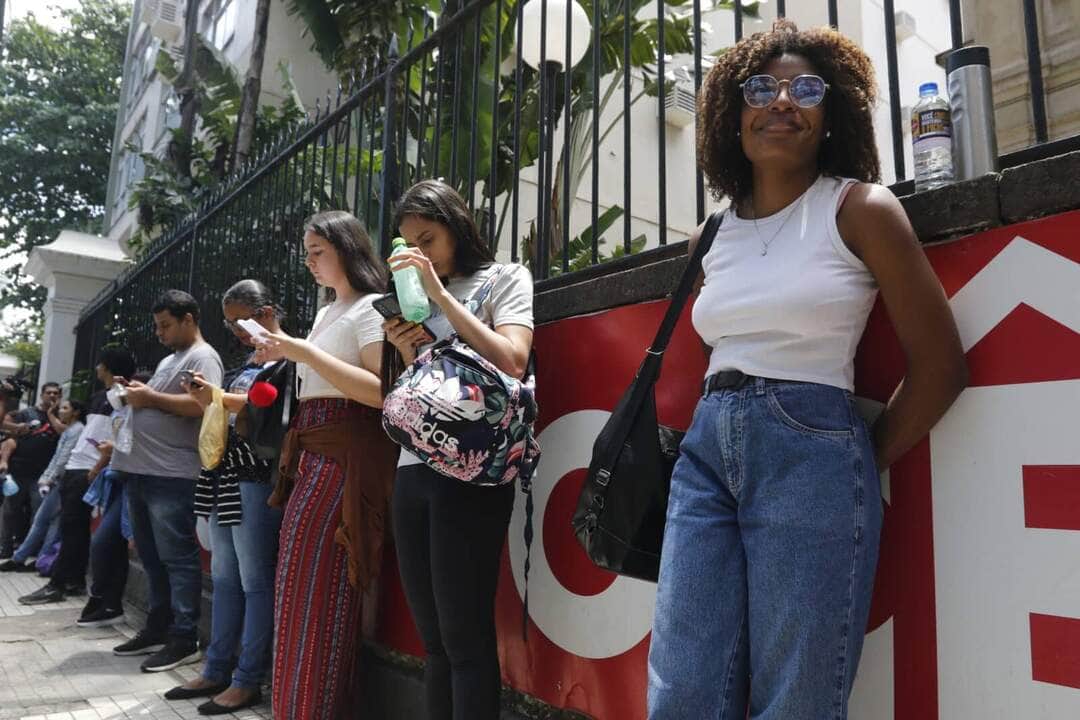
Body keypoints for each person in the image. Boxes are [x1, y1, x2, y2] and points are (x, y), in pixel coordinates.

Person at [646, 20, 969, 720]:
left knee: (796, 700)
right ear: (733, 116)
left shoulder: (859, 209)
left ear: (832, 115)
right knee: (682, 693)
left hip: (812, 449)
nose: (783, 101)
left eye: (808, 90)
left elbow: (941, 365)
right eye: (762, 89)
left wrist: (852, 460)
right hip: (704, 454)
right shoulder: (710, 236)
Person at [381, 180, 534, 720]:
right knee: (435, 643)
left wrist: (442, 298)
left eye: (428, 239)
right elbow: (427, 393)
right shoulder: (415, 297)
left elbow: (513, 360)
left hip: (473, 471)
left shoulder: (504, 278)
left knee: (465, 638)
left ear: (457, 227)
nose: (419, 253)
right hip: (413, 467)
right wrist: (408, 350)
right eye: (409, 244)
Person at [253, 211, 400, 720]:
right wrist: (285, 348)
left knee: (319, 586)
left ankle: (311, 708)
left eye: (318, 251)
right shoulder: (325, 313)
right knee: (296, 584)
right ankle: (295, 707)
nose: (310, 261)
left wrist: (304, 353)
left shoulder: (371, 308)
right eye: (307, 253)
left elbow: (382, 392)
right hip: (311, 452)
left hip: (345, 455)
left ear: (347, 248)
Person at [163, 279, 286, 716]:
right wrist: (209, 399)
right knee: (225, 577)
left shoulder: (289, 358)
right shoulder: (247, 361)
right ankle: (217, 667)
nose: (235, 330)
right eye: (230, 322)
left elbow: (268, 414)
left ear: (265, 313)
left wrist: (217, 397)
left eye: (240, 321)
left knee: (254, 580)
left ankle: (247, 678)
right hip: (224, 473)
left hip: (256, 475)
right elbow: (232, 412)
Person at [109, 290, 224, 672]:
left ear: (189, 319)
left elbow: (205, 405)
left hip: (173, 475)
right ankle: (157, 627)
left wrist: (150, 399)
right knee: (153, 557)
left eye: (166, 325)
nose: (159, 333)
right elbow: (156, 400)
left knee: (177, 559)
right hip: (145, 472)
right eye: (157, 326)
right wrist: (137, 394)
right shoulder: (169, 359)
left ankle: (184, 637)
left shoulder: (203, 357)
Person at [77, 348, 139, 628]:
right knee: (110, 543)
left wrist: (107, 454)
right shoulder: (116, 405)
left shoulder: (136, 405)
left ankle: (106, 599)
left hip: (134, 478)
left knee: (106, 542)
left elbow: (133, 441)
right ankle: (108, 602)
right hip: (118, 477)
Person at [4, 399, 85, 584]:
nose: (61, 412)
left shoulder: (76, 430)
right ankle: (39, 560)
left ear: (75, 412)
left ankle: (25, 559)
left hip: (62, 481)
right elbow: (57, 457)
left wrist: (49, 478)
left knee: (43, 519)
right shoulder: (70, 430)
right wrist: (46, 477)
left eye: (65, 408)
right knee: (51, 521)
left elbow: (63, 458)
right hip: (57, 480)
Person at [0, 382, 62, 558]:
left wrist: (52, 415)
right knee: (10, 511)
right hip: (18, 471)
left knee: (38, 514)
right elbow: (9, 439)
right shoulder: (25, 414)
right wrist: (4, 460)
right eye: (49, 392)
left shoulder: (61, 417)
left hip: (43, 475)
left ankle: (30, 550)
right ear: (41, 395)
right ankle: (5, 547)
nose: (52, 396)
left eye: (55, 393)